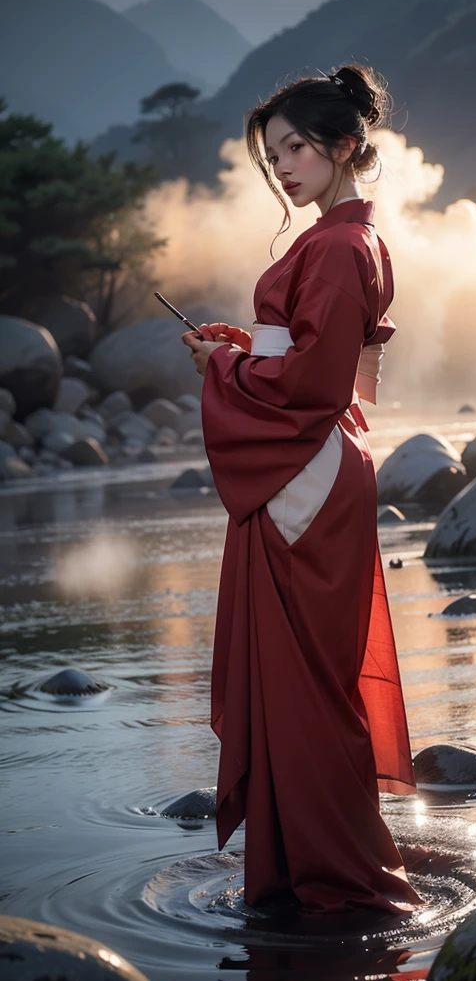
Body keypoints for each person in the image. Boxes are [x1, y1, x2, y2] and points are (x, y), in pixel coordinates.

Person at [182, 62, 424, 916]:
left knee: (302, 688)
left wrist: (227, 367)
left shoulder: (330, 245)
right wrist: (244, 349)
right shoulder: (357, 240)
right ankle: (306, 865)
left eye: (296, 147)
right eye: (271, 153)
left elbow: (310, 387)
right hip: (325, 465)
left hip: (304, 473)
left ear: (345, 143)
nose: (282, 166)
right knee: (310, 682)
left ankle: (339, 876)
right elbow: (329, 365)